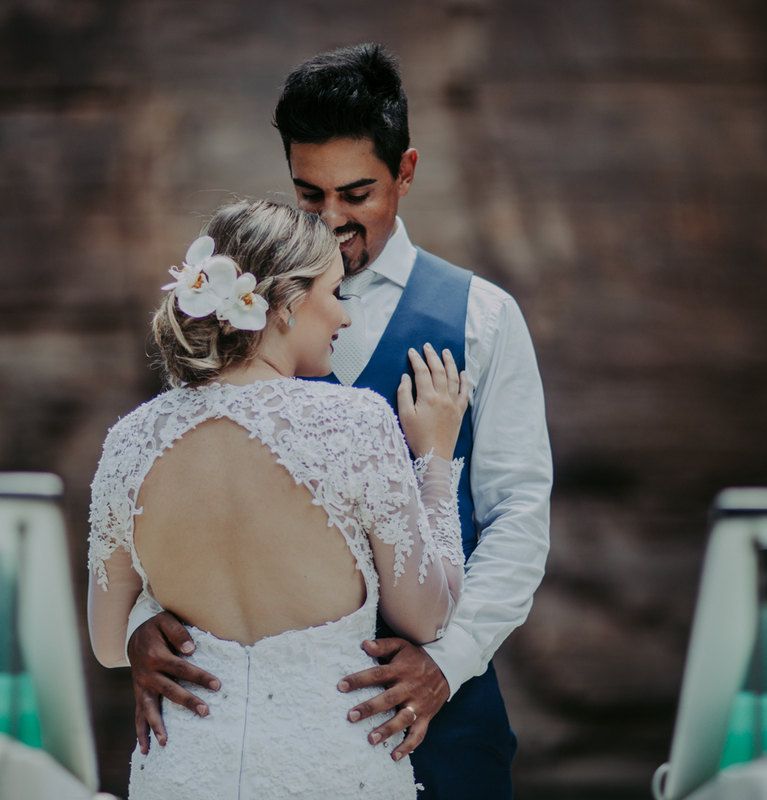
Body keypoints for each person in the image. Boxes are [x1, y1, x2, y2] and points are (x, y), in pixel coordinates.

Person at [125, 44, 553, 798]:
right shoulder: (236, 311)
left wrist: (445, 665)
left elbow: (519, 513)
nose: (332, 220)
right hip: (264, 739)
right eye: (309, 193)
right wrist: (141, 619)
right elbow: (182, 477)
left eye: (358, 194)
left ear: (406, 173)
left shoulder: (484, 317)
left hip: (445, 721)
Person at [88, 198, 474, 798]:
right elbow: (427, 616)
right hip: (330, 769)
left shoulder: (130, 441)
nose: (343, 318)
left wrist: (147, 619)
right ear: (288, 303)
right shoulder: (353, 424)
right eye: (335, 293)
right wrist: (435, 462)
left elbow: (111, 645)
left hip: (183, 772)